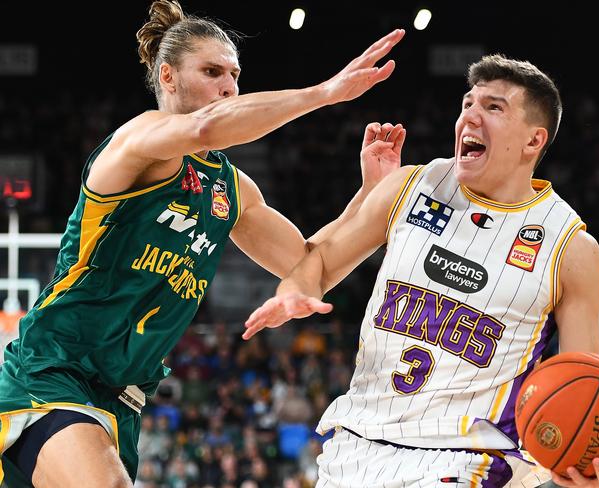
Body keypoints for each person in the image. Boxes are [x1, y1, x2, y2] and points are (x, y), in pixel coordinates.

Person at [0, 0, 406, 486]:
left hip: (122, 400)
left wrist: (370, 197)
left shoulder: (230, 189)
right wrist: (323, 93)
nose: (229, 87)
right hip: (51, 369)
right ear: (167, 77)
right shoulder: (139, 140)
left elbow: (309, 264)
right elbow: (205, 126)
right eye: (212, 71)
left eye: (234, 75)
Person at [243, 54, 599, 487]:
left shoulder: (570, 248)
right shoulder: (410, 186)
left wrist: (582, 462)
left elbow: (582, 384)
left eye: (493, 107)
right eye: (467, 104)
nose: (470, 115)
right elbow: (318, 260)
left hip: (469, 458)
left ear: (533, 142)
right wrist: (293, 289)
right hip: (358, 444)